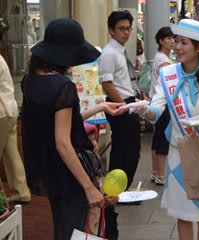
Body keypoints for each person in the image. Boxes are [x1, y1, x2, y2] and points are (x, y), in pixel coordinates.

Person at [21, 18, 125, 240]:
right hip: (71, 173)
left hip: (48, 170)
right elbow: (63, 142)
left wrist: (100, 107)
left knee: (63, 228)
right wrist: (88, 187)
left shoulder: (29, 80)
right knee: (75, 232)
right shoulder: (63, 86)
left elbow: (59, 122)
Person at [131, 19, 199, 240]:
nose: (176, 47)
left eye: (183, 43)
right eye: (175, 41)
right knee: (182, 215)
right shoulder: (169, 75)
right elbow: (157, 109)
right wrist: (144, 110)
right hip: (177, 154)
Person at [98, 10, 140, 240]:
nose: (126, 32)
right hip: (119, 106)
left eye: (128, 28)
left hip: (127, 103)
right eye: (121, 28)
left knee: (129, 150)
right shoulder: (108, 53)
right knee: (124, 150)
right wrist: (123, 105)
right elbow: (107, 84)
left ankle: (120, 190)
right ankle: (114, 192)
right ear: (111, 30)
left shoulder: (119, 51)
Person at [0, 27, 31, 203]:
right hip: (8, 112)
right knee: (11, 154)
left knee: (10, 153)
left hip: (1, 113)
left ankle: (2, 196)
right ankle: (21, 192)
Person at [149, 27, 174, 185]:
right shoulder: (163, 60)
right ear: (161, 41)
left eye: (173, 38)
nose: (172, 41)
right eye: (169, 38)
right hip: (163, 103)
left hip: (155, 102)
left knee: (157, 137)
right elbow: (168, 82)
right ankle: (162, 176)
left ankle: (155, 172)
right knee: (163, 138)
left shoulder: (160, 56)